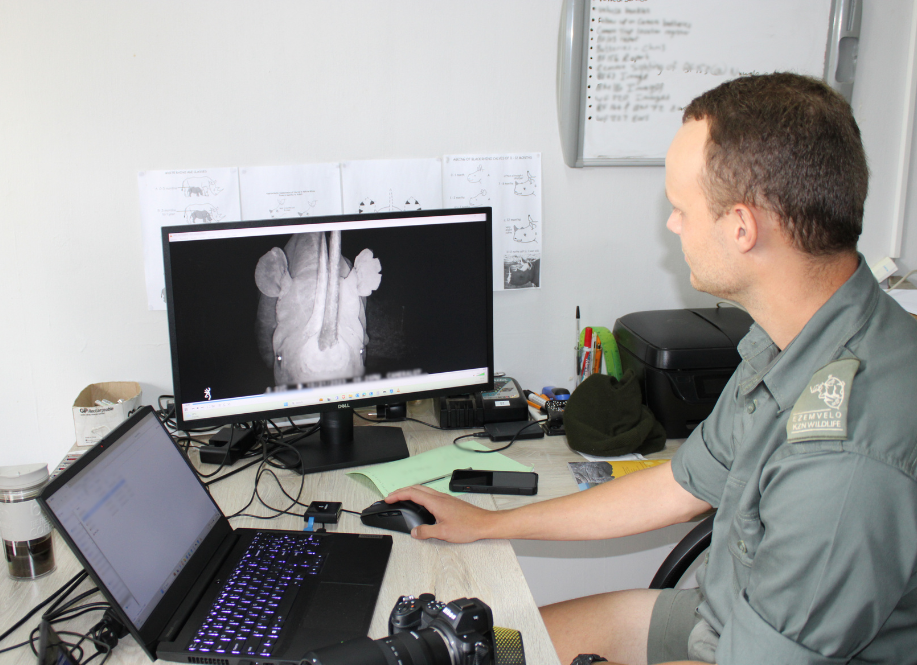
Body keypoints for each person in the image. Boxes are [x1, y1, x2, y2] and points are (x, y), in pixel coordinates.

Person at [387, 73, 917, 665]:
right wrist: (489, 523)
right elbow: (678, 487)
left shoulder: (843, 456)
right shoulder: (792, 340)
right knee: (501, 650)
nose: (673, 225)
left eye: (681, 209)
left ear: (742, 228)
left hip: (760, 650)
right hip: (724, 616)